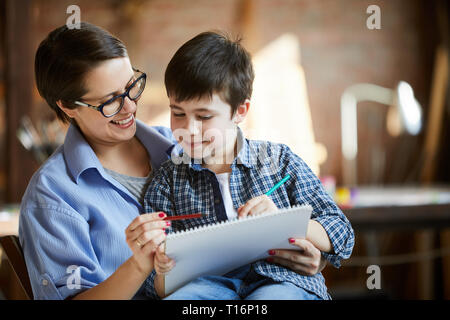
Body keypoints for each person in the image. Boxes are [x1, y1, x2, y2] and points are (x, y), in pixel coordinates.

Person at [143, 31, 355, 300]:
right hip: (207, 288)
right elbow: (155, 284)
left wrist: (282, 222)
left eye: (204, 116)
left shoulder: (279, 161)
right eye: (178, 113)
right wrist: (162, 270)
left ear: (240, 111)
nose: (189, 129)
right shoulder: (168, 180)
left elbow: (341, 231)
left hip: (280, 282)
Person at [19, 22, 176, 300]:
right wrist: (138, 265)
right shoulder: (53, 194)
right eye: (110, 101)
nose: (129, 107)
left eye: (131, 87)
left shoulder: (178, 149)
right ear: (67, 106)